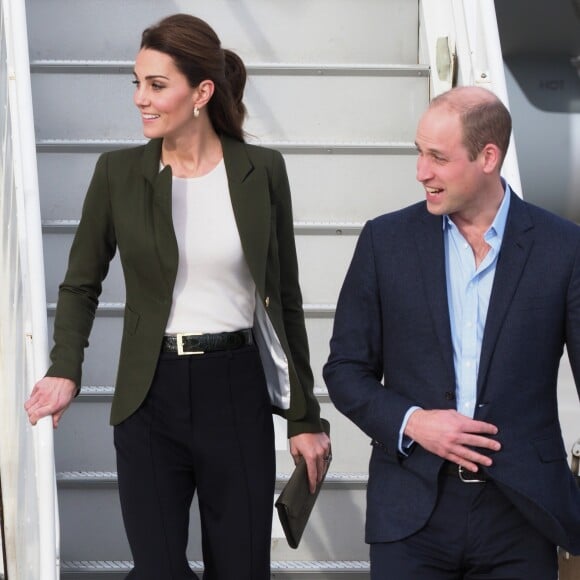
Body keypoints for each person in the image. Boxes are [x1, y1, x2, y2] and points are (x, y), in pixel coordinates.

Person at [24, 13, 330, 580]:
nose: (141, 98)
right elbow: (80, 283)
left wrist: (304, 416)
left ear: (202, 92)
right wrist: (66, 366)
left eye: (156, 85)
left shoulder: (262, 171)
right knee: (158, 571)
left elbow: (284, 298)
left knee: (240, 569)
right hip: (149, 395)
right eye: (136, 83)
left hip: (235, 392)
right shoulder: (117, 173)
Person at [323, 85, 580, 579]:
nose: (422, 172)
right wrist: (414, 422)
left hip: (522, 514)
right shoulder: (385, 241)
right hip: (411, 512)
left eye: (437, 157)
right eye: (420, 153)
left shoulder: (563, 248)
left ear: (488, 156)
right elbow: (345, 371)